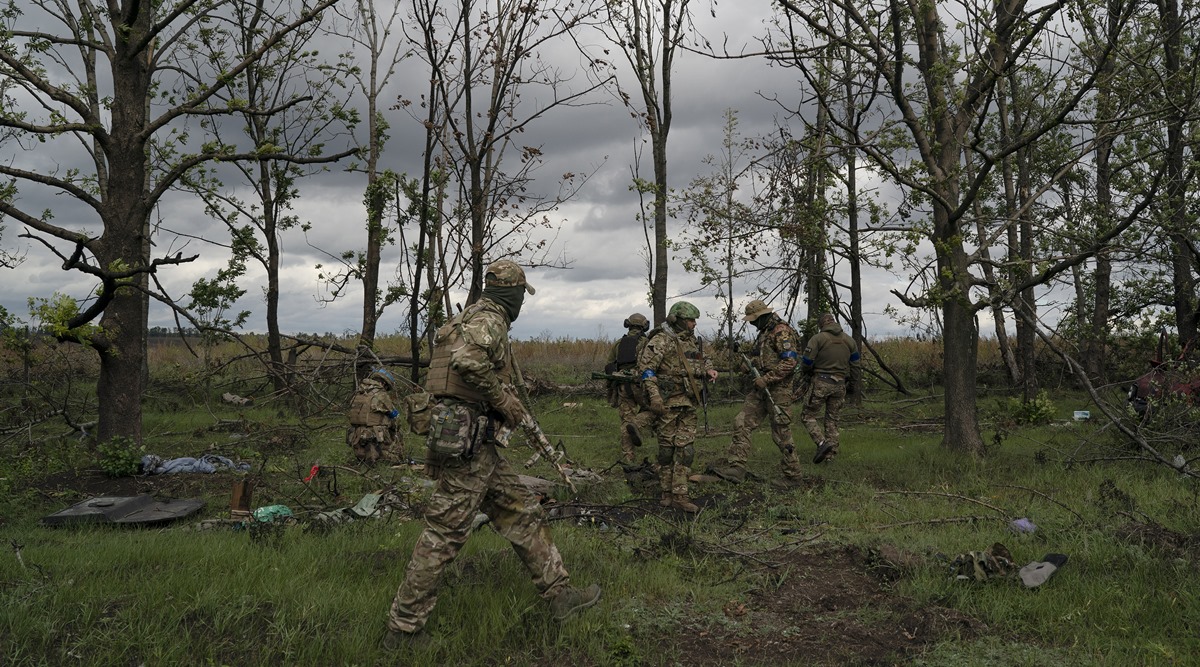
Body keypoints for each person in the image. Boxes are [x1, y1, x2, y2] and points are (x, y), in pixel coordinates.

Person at [384, 260, 601, 650]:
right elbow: (467, 362)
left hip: (474, 443)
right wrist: (503, 399)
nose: (521, 301)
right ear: (512, 291)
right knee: (443, 534)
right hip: (468, 444)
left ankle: (559, 594)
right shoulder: (490, 318)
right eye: (521, 293)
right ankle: (403, 629)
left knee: (521, 512)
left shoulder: (465, 318)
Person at [710, 299, 803, 485]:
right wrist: (747, 365)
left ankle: (793, 475)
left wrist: (767, 379)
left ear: (762, 316)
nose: (751, 323)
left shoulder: (781, 332)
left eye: (753, 319)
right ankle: (736, 467)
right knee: (741, 422)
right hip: (759, 390)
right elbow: (760, 357)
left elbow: (790, 363)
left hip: (778, 391)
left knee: (781, 432)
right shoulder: (764, 333)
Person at [638, 301, 718, 513]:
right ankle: (666, 493)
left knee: (685, 450)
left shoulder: (691, 341)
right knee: (666, 450)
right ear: (678, 320)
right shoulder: (661, 340)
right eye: (690, 320)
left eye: (694, 320)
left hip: (688, 403)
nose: (694, 324)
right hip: (667, 404)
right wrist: (655, 398)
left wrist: (709, 369)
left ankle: (680, 495)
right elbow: (647, 371)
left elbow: (703, 359)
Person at [799, 312, 861, 464]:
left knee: (807, 416)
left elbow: (807, 361)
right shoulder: (849, 341)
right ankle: (830, 457)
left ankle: (821, 443)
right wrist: (852, 384)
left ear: (821, 324)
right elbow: (856, 366)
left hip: (821, 382)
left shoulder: (818, 339)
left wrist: (806, 373)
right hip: (840, 385)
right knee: (832, 420)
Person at [604, 312, 655, 463]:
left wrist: (611, 387)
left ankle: (628, 458)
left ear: (628, 325)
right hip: (641, 385)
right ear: (645, 326)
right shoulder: (647, 343)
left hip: (623, 386)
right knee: (654, 410)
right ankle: (637, 423)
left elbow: (609, 366)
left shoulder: (619, 343)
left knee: (626, 421)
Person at [347, 367, 403, 464]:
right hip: (374, 441)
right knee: (397, 428)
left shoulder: (358, 393)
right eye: (387, 388)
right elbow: (395, 417)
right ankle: (393, 455)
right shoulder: (380, 394)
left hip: (357, 442)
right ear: (384, 383)